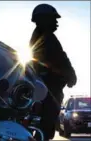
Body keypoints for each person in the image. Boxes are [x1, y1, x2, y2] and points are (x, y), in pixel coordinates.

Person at [29, 3, 77, 140]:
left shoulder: (41, 37)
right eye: (53, 19)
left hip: (47, 88)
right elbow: (59, 59)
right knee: (46, 126)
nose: (56, 22)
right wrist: (69, 75)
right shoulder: (47, 39)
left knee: (44, 127)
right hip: (50, 89)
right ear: (43, 19)